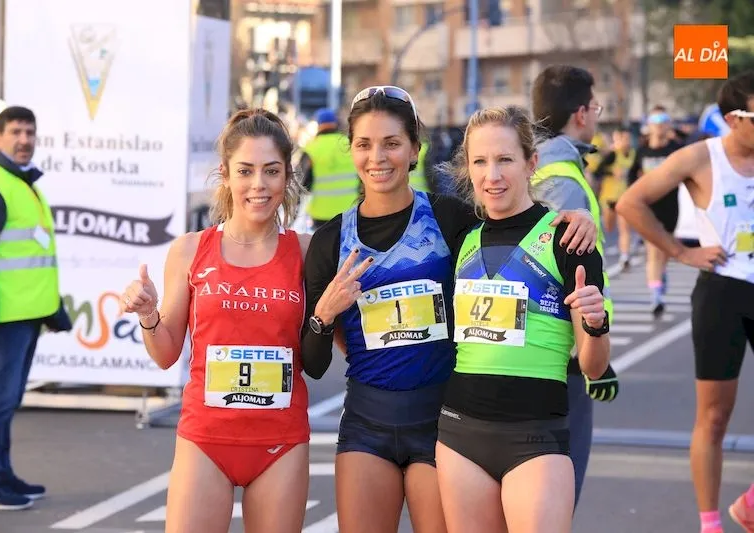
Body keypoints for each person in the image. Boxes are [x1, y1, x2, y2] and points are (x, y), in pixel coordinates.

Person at [301, 85, 597, 533]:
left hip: (443, 423)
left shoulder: (451, 219)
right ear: (351, 150)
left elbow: (510, 231)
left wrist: (576, 216)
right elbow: (315, 359)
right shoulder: (330, 242)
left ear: (415, 150)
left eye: (392, 143)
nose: (377, 158)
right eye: (364, 144)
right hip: (367, 423)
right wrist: (324, 315)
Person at [122, 109, 312, 533]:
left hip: (279, 440)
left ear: (287, 176)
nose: (258, 185)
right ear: (225, 174)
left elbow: (335, 347)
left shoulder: (305, 251)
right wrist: (150, 315)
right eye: (245, 171)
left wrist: (331, 313)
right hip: (205, 439)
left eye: (271, 171)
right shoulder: (190, 250)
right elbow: (166, 353)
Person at [434, 105, 610, 533]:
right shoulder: (461, 236)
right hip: (460, 435)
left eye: (505, 160)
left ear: (531, 163)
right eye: (480, 161)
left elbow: (593, 365)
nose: (492, 175)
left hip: (536, 438)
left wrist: (596, 322)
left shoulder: (569, 240)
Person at [617, 72, 754, 533]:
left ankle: (751, 504)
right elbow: (631, 203)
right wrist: (681, 252)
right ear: (734, 119)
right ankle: (710, 523)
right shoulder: (701, 157)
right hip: (723, 292)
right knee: (714, 417)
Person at [0, 106, 72, 511]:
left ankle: (0, 473)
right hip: (4, 318)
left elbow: (31, 254)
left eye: (30, 132)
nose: (25, 140)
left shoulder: (19, 182)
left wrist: (52, 309)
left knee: (7, 401)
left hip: (23, 315)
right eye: (16, 132)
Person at [529, 64, 619, 507]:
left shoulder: (541, 168)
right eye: (596, 107)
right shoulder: (563, 180)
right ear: (581, 114)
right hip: (561, 359)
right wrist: (591, 354)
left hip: (544, 355)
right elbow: (562, 275)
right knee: (556, 500)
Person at [626, 105, 684, 317]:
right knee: (653, 251)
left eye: (663, 121)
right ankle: (656, 296)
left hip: (671, 207)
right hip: (648, 209)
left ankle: (661, 276)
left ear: (668, 124)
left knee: (665, 250)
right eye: (655, 121)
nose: (659, 126)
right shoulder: (642, 151)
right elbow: (631, 176)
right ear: (648, 126)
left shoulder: (675, 149)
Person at [299, 108, 361, 229]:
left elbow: (303, 183)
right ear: (335, 123)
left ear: (318, 124)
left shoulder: (311, 148)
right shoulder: (350, 145)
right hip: (350, 211)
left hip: (321, 214)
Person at [594, 126, 636, 269]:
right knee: (609, 227)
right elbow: (597, 172)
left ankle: (625, 257)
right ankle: (603, 252)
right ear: (616, 139)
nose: (625, 142)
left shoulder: (633, 155)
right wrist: (612, 174)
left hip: (626, 197)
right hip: (609, 197)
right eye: (621, 138)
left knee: (625, 228)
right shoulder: (612, 155)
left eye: (627, 138)